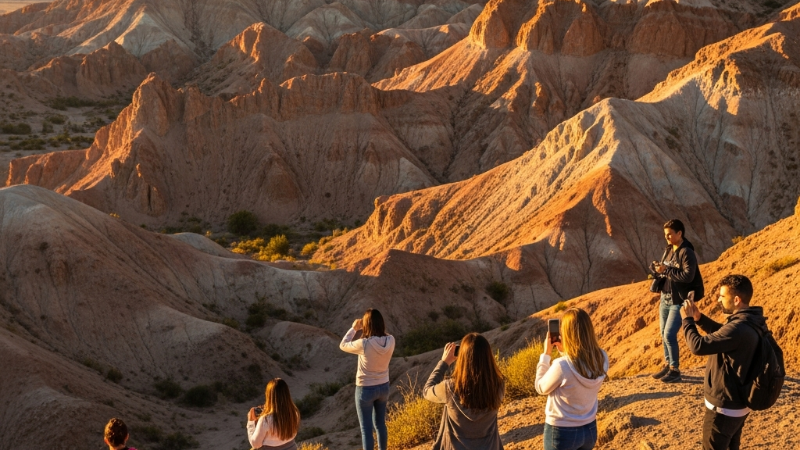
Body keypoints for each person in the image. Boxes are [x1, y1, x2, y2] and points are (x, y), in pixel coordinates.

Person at [680, 275, 763, 450]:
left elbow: (698, 346)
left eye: (722, 296)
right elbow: (724, 334)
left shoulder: (737, 327)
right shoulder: (751, 320)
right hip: (738, 405)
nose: (718, 299)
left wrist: (686, 320)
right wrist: (698, 318)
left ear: (737, 299)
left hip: (724, 408)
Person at [535, 308, 608, 450]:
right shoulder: (602, 357)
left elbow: (540, 387)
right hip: (589, 429)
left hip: (562, 432)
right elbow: (579, 367)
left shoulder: (562, 365)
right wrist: (565, 352)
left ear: (567, 334)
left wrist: (546, 356)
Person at [423, 332, 505, 450]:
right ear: (489, 357)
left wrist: (444, 363)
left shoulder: (449, 388)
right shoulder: (499, 385)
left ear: (462, 357)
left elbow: (427, 391)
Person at [651, 219, 705, 383]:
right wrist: (657, 270)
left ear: (679, 233)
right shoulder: (669, 250)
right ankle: (668, 364)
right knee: (663, 334)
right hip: (665, 297)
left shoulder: (686, 252)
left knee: (669, 334)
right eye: (665, 234)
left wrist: (667, 270)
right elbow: (666, 272)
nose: (667, 237)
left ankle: (675, 369)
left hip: (679, 299)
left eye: (669, 234)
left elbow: (688, 276)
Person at [340, 308, 395, 450]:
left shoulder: (364, 344)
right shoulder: (391, 340)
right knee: (380, 424)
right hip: (383, 386)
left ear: (367, 325)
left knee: (366, 430)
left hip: (365, 389)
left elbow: (343, 345)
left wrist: (354, 328)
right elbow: (382, 336)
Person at [247, 378, 300, 450]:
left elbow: (256, 444)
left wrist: (251, 423)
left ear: (269, 395)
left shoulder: (266, 420)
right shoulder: (294, 412)